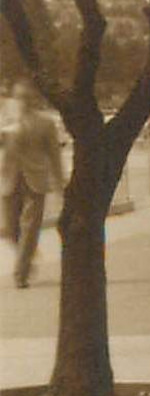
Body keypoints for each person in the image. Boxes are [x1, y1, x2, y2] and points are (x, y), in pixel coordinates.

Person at [1, 80, 65, 288]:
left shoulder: (45, 123)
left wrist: (59, 184)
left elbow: (54, 155)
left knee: (29, 227)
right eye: (18, 97)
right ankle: (27, 256)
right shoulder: (6, 121)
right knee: (11, 229)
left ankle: (21, 274)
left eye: (26, 97)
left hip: (36, 180)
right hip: (9, 179)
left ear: (34, 99)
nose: (22, 101)